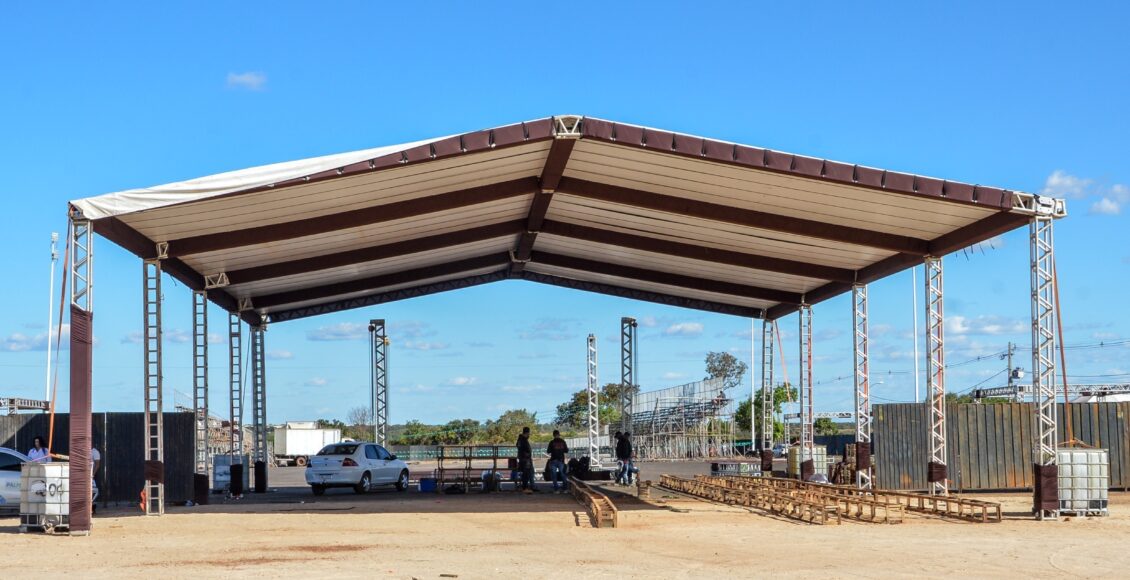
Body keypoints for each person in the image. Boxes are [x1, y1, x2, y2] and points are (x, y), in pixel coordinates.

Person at [516, 427, 535, 493]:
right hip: (525, 459)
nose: (529, 434)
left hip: (523, 458)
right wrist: (527, 455)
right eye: (528, 433)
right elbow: (525, 450)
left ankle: (529, 487)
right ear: (527, 433)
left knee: (528, 473)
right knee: (526, 474)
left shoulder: (520, 439)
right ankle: (525, 488)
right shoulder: (523, 440)